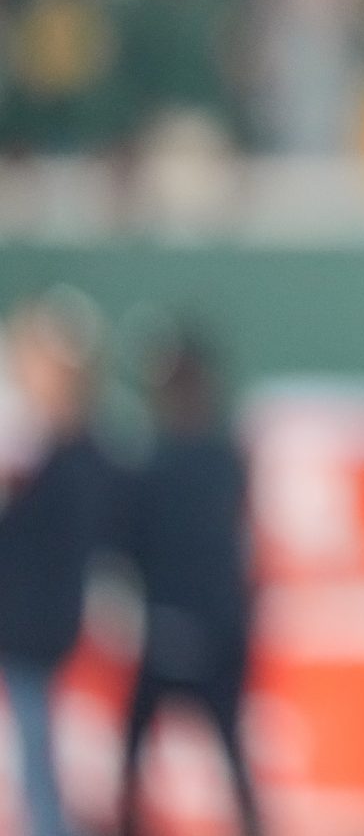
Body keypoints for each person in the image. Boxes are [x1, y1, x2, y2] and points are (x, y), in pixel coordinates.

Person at [116, 329, 261, 836]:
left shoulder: (161, 463)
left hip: (182, 619)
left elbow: (136, 544)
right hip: (221, 620)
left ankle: (129, 822)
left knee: (141, 735)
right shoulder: (225, 457)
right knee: (222, 740)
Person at [0, 292, 112, 836]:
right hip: (35, 615)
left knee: (37, 738)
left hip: (31, 619)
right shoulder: (37, 435)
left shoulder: (63, 447)